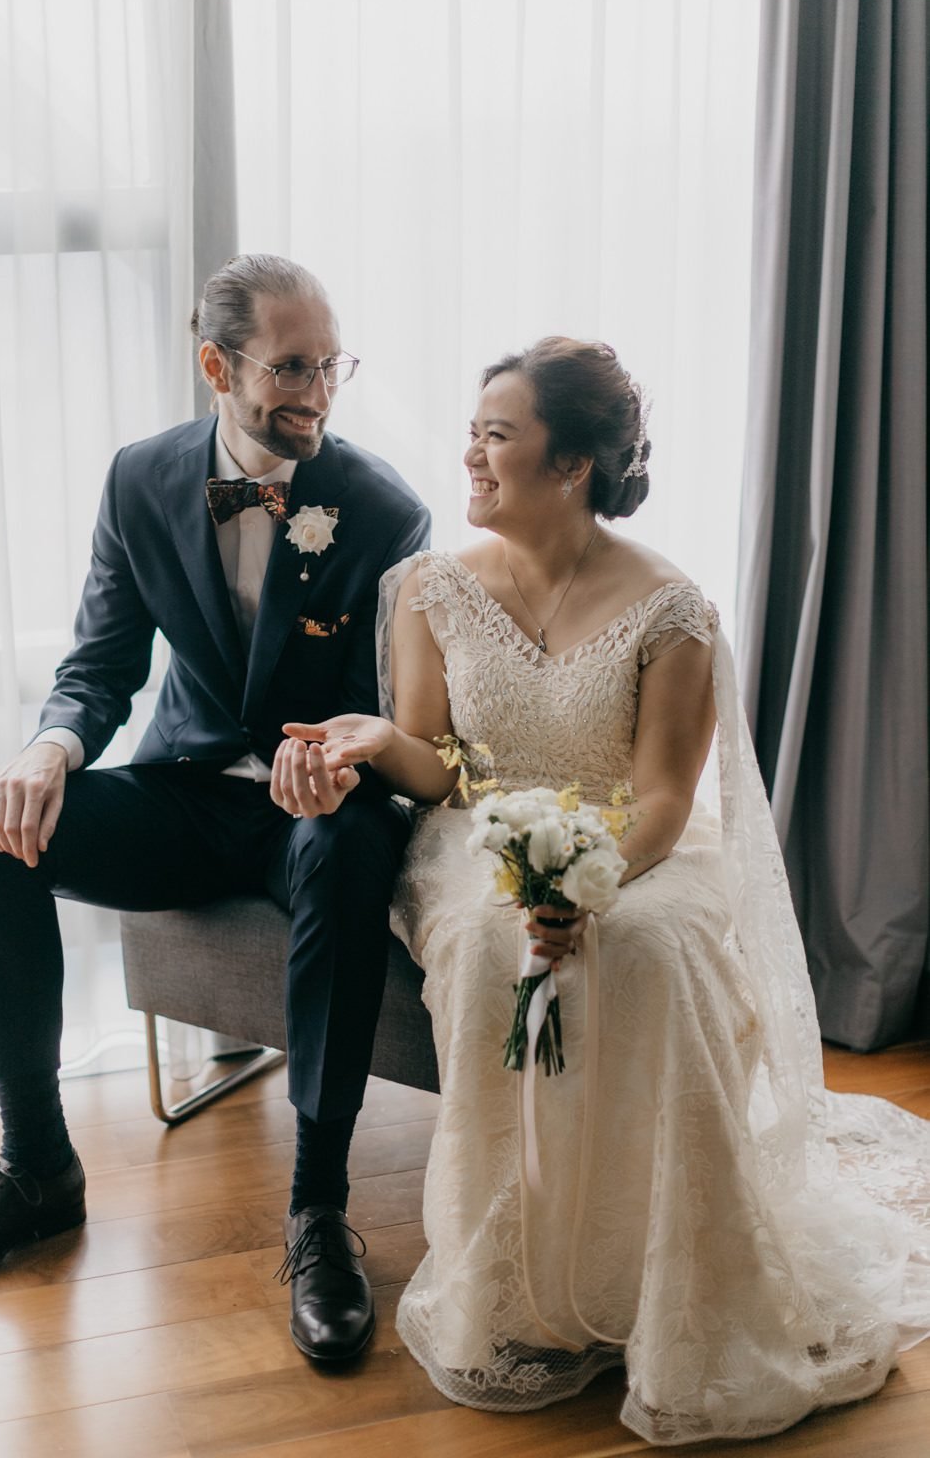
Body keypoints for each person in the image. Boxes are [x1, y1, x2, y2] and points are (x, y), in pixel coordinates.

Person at [273, 336, 930, 1443]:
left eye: (495, 433)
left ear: (569, 465)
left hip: (636, 844)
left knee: (652, 952)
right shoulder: (428, 588)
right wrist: (374, 736)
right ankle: (520, 1284)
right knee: (493, 948)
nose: (468, 453)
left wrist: (589, 881)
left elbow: (666, 797)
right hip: (474, 835)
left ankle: (651, 1275)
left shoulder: (671, 608)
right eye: (472, 429)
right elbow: (437, 764)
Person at [0, 253, 430, 1364]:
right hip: (184, 791)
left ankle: (317, 1210)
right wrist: (48, 747)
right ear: (214, 366)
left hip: (316, 802)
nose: (317, 393)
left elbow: (388, 701)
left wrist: (335, 760)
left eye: (332, 366)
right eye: (290, 367)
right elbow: (99, 663)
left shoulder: (380, 509)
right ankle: (37, 1165)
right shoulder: (139, 478)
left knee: (342, 846)